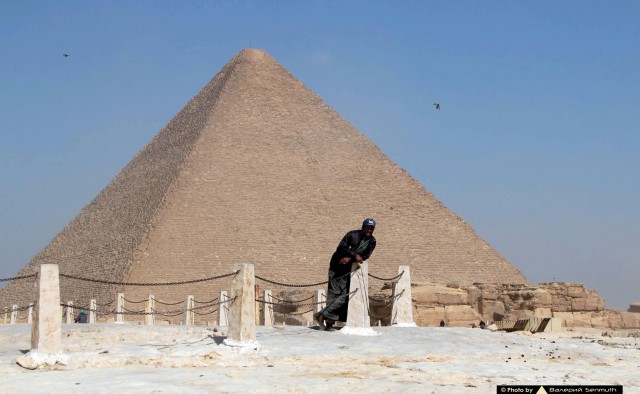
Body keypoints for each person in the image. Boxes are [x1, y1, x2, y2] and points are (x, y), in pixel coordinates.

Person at [314, 218, 377, 331]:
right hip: (336, 267)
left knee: (344, 296)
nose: (369, 230)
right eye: (367, 227)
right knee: (333, 295)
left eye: (371, 228)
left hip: (349, 270)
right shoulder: (352, 235)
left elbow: (366, 256)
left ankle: (321, 315)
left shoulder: (372, 241)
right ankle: (328, 323)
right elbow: (341, 248)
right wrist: (353, 256)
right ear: (363, 227)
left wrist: (351, 258)